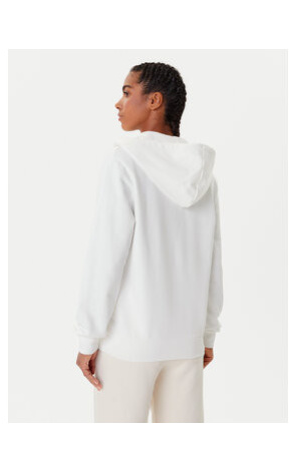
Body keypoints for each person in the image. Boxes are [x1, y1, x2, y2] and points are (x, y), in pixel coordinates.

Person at [74, 62, 224, 422]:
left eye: (127, 93)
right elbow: (213, 261)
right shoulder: (203, 175)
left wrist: (88, 337)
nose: (118, 103)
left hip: (130, 343)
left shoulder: (125, 163)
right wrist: (207, 333)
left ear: (154, 100)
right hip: (185, 341)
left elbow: (106, 257)